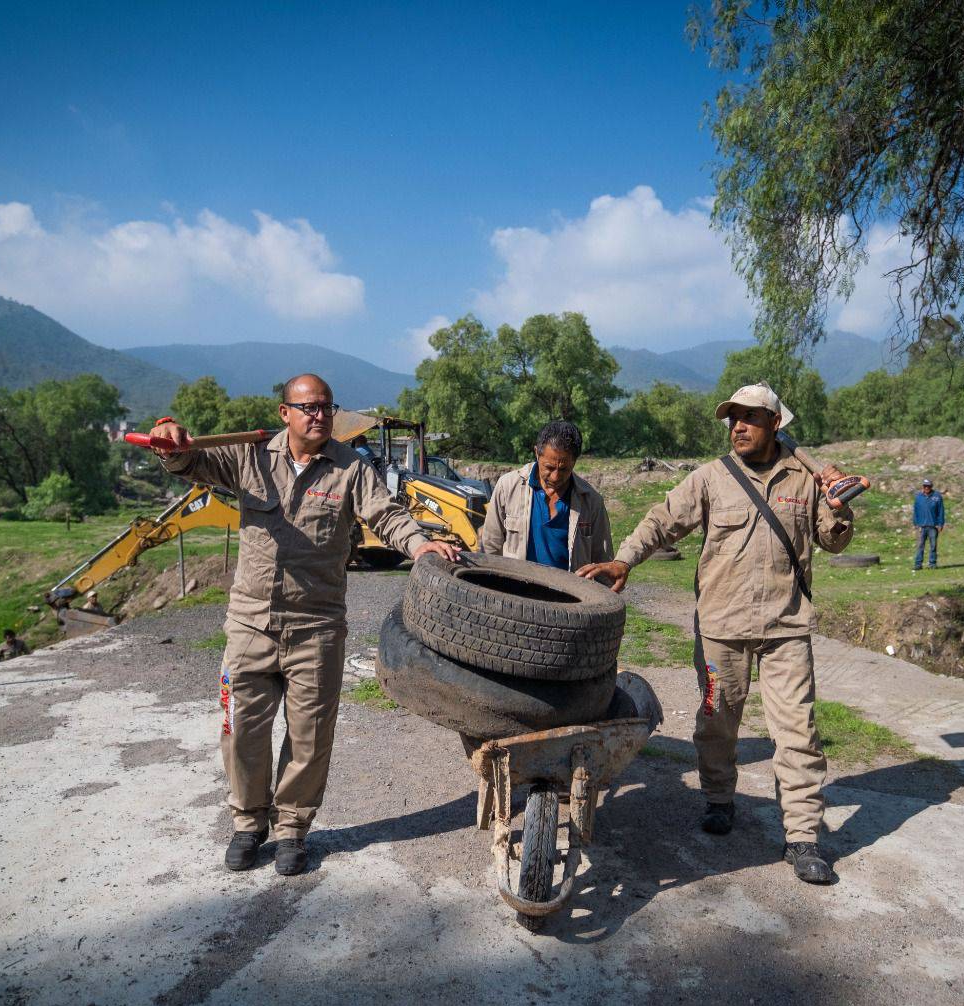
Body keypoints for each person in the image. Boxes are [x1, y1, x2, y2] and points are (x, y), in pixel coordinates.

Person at [150, 374, 460, 877]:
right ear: (285, 413)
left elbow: (386, 514)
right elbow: (192, 463)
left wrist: (420, 544)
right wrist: (171, 445)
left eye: (326, 407)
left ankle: (292, 827)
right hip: (250, 624)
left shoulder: (350, 469)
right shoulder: (250, 456)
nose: (318, 415)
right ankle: (248, 823)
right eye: (308, 407)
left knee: (310, 734)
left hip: (315, 627)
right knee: (242, 730)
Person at [578, 383, 856, 885]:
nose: (738, 427)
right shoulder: (710, 478)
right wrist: (625, 559)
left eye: (749, 417)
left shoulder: (805, 477)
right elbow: (662, 521)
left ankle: (803, 837)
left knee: (798, 732)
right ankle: (719, 799)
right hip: (720, 628)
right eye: (733, 418)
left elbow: (833, 541)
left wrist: (839, 505)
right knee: (717, 723)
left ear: (775, 423)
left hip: (785, 627)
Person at [478, 420, 614, 570]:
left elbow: (603, 562)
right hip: (515, 590)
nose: (555, 477)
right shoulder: (508, 487)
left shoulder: (591, 501)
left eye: (563, 469)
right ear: (537, 453)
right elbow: (490, 546)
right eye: (549, 467)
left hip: (567, 592)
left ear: (574, 462)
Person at [912, 478, 945, 571]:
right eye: (925, 486)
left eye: (928, 486)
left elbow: (941, 511)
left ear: (931, 487)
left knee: (933, 546)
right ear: (922, 486)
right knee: (920, 546)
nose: (926, 487)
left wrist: (940, 524)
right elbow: (915, 511)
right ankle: (918, 564)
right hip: (921, 526)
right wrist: (915, 523)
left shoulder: (937, 496)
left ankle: (932, 564)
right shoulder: (918, 497)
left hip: (933, 526)